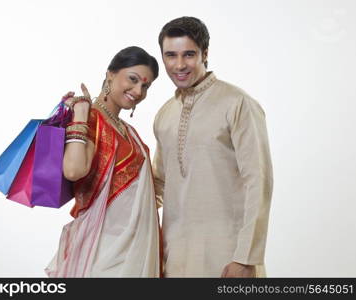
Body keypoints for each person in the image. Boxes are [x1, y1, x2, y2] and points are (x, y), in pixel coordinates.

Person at [152, 17, 273, 278]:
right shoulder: (165, 114)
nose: (179, 64)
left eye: (189, 54)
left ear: (205, 54)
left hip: (228, 256)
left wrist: (246, 257)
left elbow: (258, 181)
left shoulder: (237, 104)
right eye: (171, 55)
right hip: (175, 258)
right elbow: (158, 184)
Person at [45, 46, 161, 277]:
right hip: (102, 252)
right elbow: (74, 170)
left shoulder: (131, 133)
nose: (138, 91)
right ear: (110, 74)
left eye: (145, 86)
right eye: (133, 79)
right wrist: (80, 113)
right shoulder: (89, 118)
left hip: (137, 251)